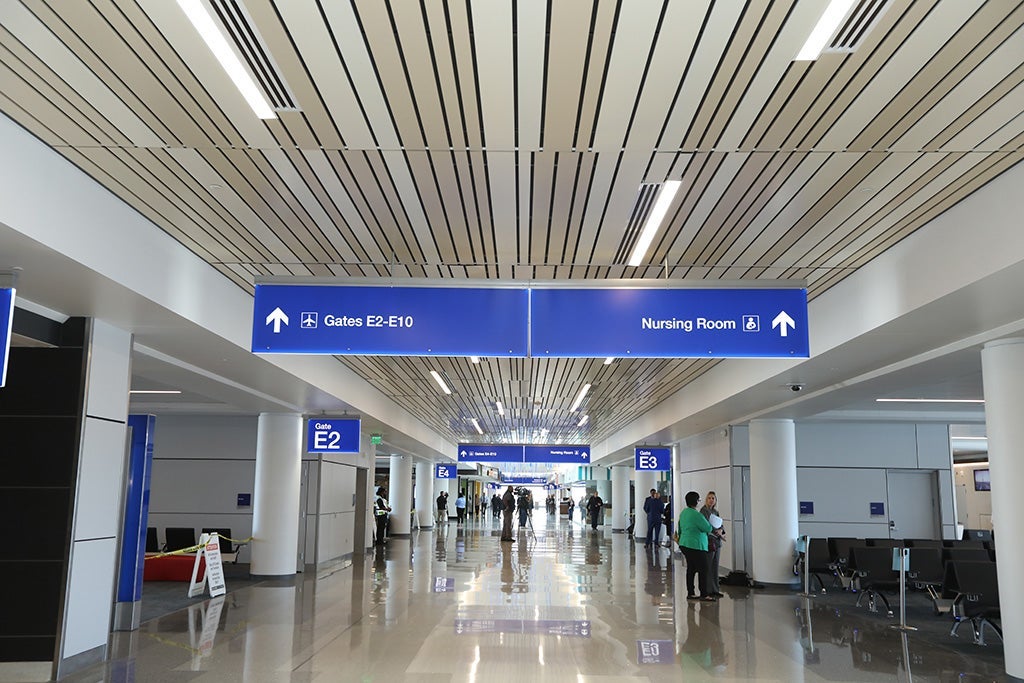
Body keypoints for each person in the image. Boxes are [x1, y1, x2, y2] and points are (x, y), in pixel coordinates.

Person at [677, 490, 715, 601]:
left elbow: (679, 527)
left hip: (685, 544)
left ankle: (691, 592)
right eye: (699, 500)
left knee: (691, 568)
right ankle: (704, 594)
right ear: (696, 501)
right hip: (696, 545)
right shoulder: (696, 514)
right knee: (704, 569)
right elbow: (707, 528)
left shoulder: (684, 512)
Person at [700, 491, 726, 597]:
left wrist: (721, 531)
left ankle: (715, 589)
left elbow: (720, 524)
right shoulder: (703, 511)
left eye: (713, 498)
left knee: (715, 566)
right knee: (708, 566)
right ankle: (708, 590)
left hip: (717, 541)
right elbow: (706, 525)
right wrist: (717, 531)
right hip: (709, 541)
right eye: (709, 498)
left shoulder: (715, 512)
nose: (711, 500)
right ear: (706, 499)